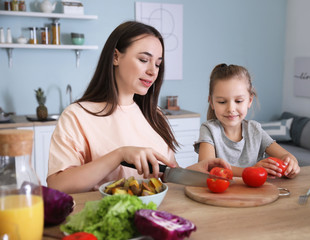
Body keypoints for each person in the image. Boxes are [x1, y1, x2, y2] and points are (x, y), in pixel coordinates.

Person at [47, 21, 230, 194]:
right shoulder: (77, 115)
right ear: (116, 57)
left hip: (154, 216)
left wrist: (193, 171)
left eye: (158, 64)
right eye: (144, 60)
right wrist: (119, 155)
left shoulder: (154, 115)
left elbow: (162, 179)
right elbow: (58, 185)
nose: (153, 71)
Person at [194, 63, 300, 179]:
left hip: (253, 194)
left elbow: (286, 155)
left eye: (238, 101)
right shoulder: (209, 130)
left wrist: (292, 163)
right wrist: (251, 171)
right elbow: (208, 167)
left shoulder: (254, 130)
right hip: (221, 194)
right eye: (222, 102)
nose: (231, 109)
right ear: (211, 102)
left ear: (249, 101)